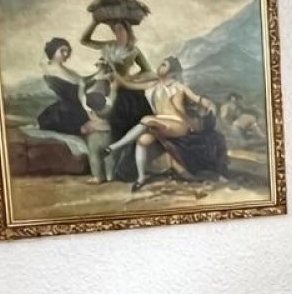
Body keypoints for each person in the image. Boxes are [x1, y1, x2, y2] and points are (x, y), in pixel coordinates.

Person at [103, 56, 229, 191]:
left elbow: (197, 99)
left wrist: (209, 104)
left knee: (147, 119)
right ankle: (141, 178)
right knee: (142, 140)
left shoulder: (178, 86)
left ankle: (114, 147)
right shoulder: (153, 85)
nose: (160, 66)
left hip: (178, 124)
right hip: (158, 122)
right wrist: (113, 70)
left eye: (164, 65)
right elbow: (127, 84)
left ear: (171, 71)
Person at [78, 16, 154, 178]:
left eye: (120, 29)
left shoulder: (133, 50)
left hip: (124, 90)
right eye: (114, 29)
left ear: (127, 30)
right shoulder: (108, 45)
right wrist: (94, 22)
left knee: (126, 122)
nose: (117, 32)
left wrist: (128, 78)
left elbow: (148, 71)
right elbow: (84, 40)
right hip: (105, 88)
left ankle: (122, 167)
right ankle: (104, 168)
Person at [35, 38, 91, 137]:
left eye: (67, 51)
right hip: (67, 112)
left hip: (74, 107)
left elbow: (81, 81)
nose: (66, 54)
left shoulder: (63, 69)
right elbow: (79, 82)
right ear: (53, 50)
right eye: (62, 51)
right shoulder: (53, 68)